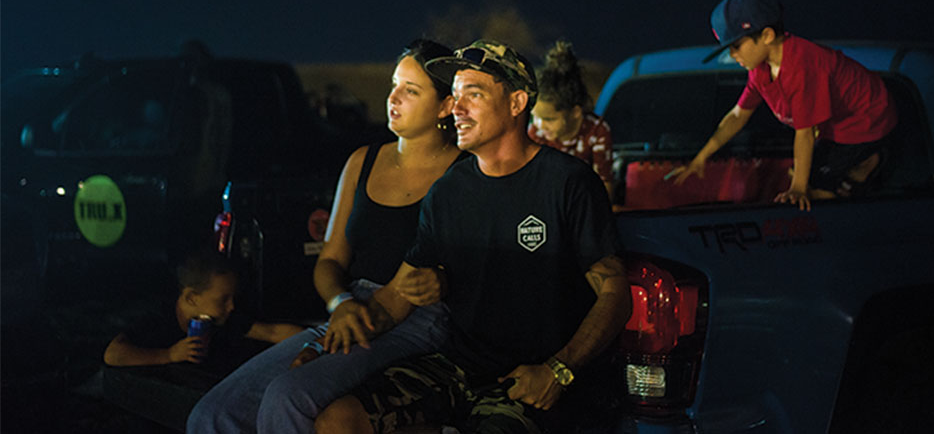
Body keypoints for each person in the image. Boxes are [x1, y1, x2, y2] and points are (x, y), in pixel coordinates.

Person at [315, 39, 631, 434]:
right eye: (455, 94)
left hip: (532, 376)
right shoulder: (448, 190)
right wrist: (325, 343)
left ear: (517, 104)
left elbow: (615, 290)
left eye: (474, 94)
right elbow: (399, 295)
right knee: (338, 422)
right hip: (459, 366)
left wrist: (559, 371)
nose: (457, 108)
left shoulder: (567, 183)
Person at [186, 39, 463, 434]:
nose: (393, 98)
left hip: (418, 319)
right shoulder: (362, 161)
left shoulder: (462, 174)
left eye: (411, 90)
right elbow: (330, 260)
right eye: (394, 85)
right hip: (351, 309)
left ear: (446, 106)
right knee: (213, 415)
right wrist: (341, 301)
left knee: (288, 398)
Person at [672, 0, 898, 210]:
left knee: (814, 188)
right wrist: (701, 158)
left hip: (866, 121)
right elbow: (738, 115)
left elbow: (805, 134)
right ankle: (856, 167)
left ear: (767, 35)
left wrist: (798, 189)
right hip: (832, 125)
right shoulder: (759, 69)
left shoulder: (802, 66)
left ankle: (865, 163)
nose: (731, 55)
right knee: (799, 170)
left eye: (736, 46)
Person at [103, 250, 303, 367]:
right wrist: (169, 355)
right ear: (191, 298)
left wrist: (319, 340)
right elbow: (113, 354)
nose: (231, 306)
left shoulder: (223, 319)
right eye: (223, 299)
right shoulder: (159, 315)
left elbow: (271, 332)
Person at [528, 40, 614, 199]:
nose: (539, 125)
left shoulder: (596, 132)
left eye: (549, 119)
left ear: (575, 112)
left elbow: (605, 186)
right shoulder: (535, 135)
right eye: (534, 117)